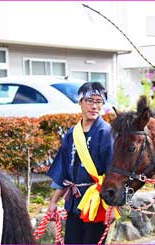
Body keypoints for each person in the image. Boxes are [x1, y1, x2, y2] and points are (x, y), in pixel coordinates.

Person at [46, 82, 114, 244]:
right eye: (90, 101)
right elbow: (62, 171)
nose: (94, 106)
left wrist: (112, 207)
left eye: (99, 101)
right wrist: (54, 201)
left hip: (96, 204)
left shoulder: (106, 132)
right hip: (73, 202)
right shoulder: (71, 134)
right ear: (80, 102)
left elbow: (115, 173)